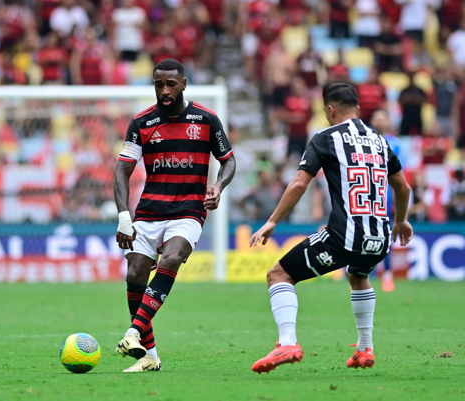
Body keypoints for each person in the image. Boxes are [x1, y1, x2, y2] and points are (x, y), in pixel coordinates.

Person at [248, 83, 413, 373]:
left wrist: (273, 220)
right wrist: (400, 219)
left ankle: (287, 343)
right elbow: (402, 186)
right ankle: (364, 348)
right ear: (358, 110)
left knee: (279, 275)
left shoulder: (325, 138)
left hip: (344, 235)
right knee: (358, 275)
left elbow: (300, 182)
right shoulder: (380, 141)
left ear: (330, 109)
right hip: (379, 237)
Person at [113, 59, 236, 372]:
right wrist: (124, 217)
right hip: (149, 211)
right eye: (158, 85)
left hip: (188, 211)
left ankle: (132, 333)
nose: (164, 91)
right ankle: (150, 356)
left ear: (183, 84)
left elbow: (229, 161)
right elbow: (122, 170)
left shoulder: (207, 119)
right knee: (135, 274)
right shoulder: (141, 123)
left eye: (170, 84)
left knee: (171, 257)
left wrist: (219, 186)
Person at [370, 109, 401, 292]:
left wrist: (398, 201)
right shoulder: (365, 141)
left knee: (385, 237)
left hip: (386, 199)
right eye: (377, 118)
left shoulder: (395, 144)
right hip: (367, 197)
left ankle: (387, 274)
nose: (380, 121)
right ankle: (361, 274)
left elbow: (400, 175)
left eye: (383, 118)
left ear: (388, 122)